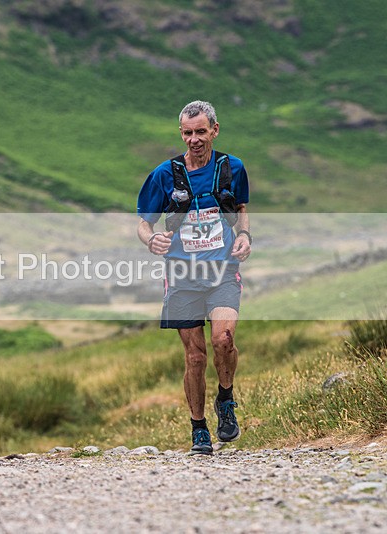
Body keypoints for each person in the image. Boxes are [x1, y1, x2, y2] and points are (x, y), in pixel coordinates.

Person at [136, 100, 251, 455]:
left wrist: (245, 236)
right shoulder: (163, 175)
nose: (194, 140)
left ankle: (226, 399)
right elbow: (144, 221)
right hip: (182, 276)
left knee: (224, 339)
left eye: (201, 132)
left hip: (223, 273)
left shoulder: (232, 168)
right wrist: (150, 238)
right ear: (181, 134)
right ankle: (199, 427)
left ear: (214, 130)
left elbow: (241, 209)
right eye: (188, 133)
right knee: (195, 357)